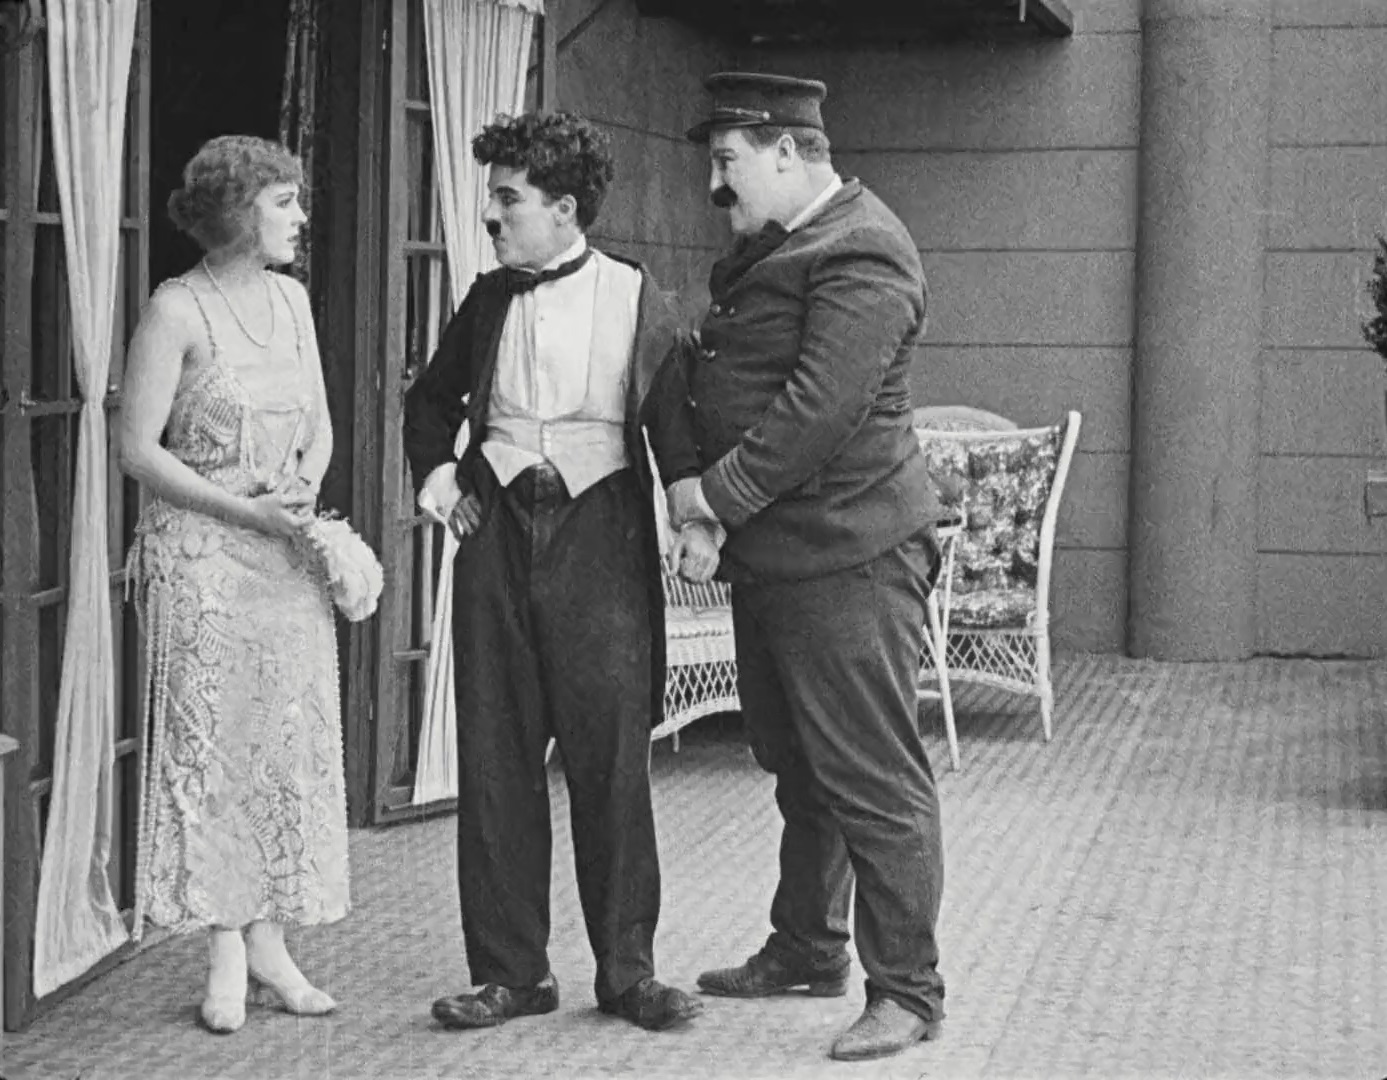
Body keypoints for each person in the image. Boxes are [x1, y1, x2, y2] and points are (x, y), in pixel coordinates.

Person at [642, 72, 950, 1063]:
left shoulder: (861, 247)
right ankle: (807, 949)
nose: (715, 187)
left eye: (726, 162)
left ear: (784, 150)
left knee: (871, 778)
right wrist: (690, 485)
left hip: (849, 555)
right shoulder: (770, 252)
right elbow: (692, 369)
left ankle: (906, 991)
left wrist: (710, 504)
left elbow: (818, 413)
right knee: (800, 766)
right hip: (781, 561)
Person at [401, 111, 702, 1034]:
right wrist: (440, 476)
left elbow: (674, 424)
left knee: (610, 758)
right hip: (495, 530)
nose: (491, 218)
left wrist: (694, 519)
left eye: (507, 201)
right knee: (494, 755)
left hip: (598, 533)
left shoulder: (634, 294)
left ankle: (627, 973)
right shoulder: (488, 299)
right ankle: (510, 973)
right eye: (493, 200)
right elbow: (428, 400)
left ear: (563, 209)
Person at [118, 136, 349, 1034]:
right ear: (237, 213)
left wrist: (300, 490)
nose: (299, 217)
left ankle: (270, 945)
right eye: (284, 202)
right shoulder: (175, 310)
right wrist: (244, 510)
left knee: (283, 748)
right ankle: (221, 948)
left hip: (283, 553)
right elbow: (137, 450)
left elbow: (321, 426)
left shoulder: (293, 302)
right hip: (202, 558)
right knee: (211, 750)